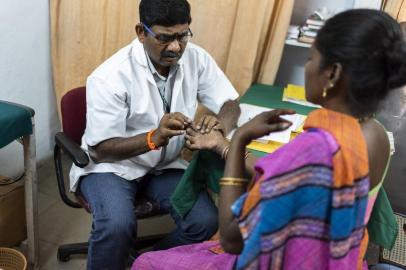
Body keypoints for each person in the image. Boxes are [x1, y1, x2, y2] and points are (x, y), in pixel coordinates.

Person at [133, 9, 406, 270]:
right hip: (343, 259)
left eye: (311, 58)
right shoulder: (375, 134)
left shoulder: (313, 150)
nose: (307, 68)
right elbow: (292, 179)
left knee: (144, 263)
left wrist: (238, 138)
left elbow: (231, 237)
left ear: (332, 73)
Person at [69, 0, 241, 269]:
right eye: (164, 38)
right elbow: (101, 149)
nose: (175, 47)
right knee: (117, 225)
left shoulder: (195, 57)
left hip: (164, 165)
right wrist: (154, 138)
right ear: (141, 32)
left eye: (182, 36)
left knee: (205, 221)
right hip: (113, 168)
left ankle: (145, 262)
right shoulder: (110, 76)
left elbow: (230, 103)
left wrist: (219, 126)